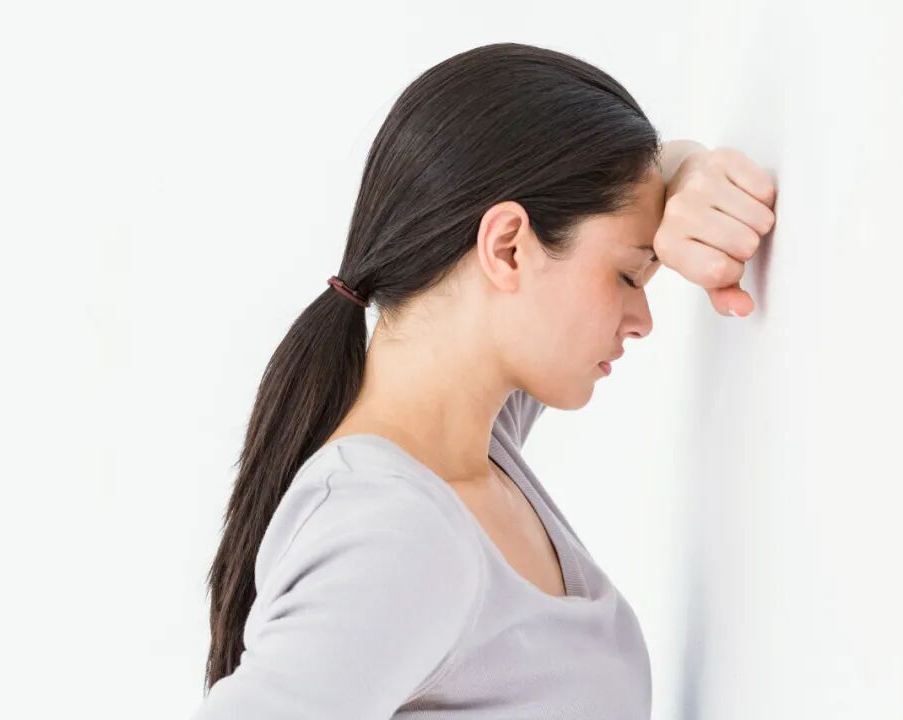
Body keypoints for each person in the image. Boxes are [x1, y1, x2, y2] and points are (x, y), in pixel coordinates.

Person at [192, 42, 775, 719]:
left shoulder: (470, 443)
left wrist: (686, 173)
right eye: (626, 275)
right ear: (508, 247)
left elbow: (653, 167)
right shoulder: (391, 530)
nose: (642, 319)